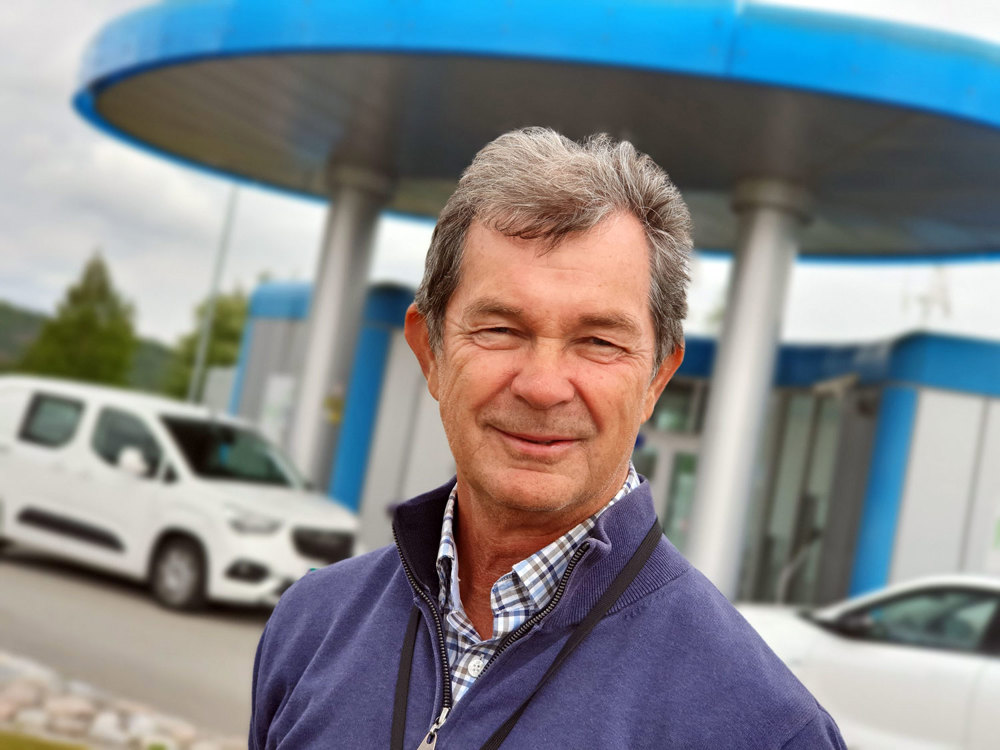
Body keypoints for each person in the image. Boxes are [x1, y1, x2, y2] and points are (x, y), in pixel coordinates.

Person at [249, 128, 846, 749]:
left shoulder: (765, 730)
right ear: (430, 351)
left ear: (656, 380)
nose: (542, 386)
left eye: (598, 342)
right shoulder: (310, 625)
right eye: (502, 328)